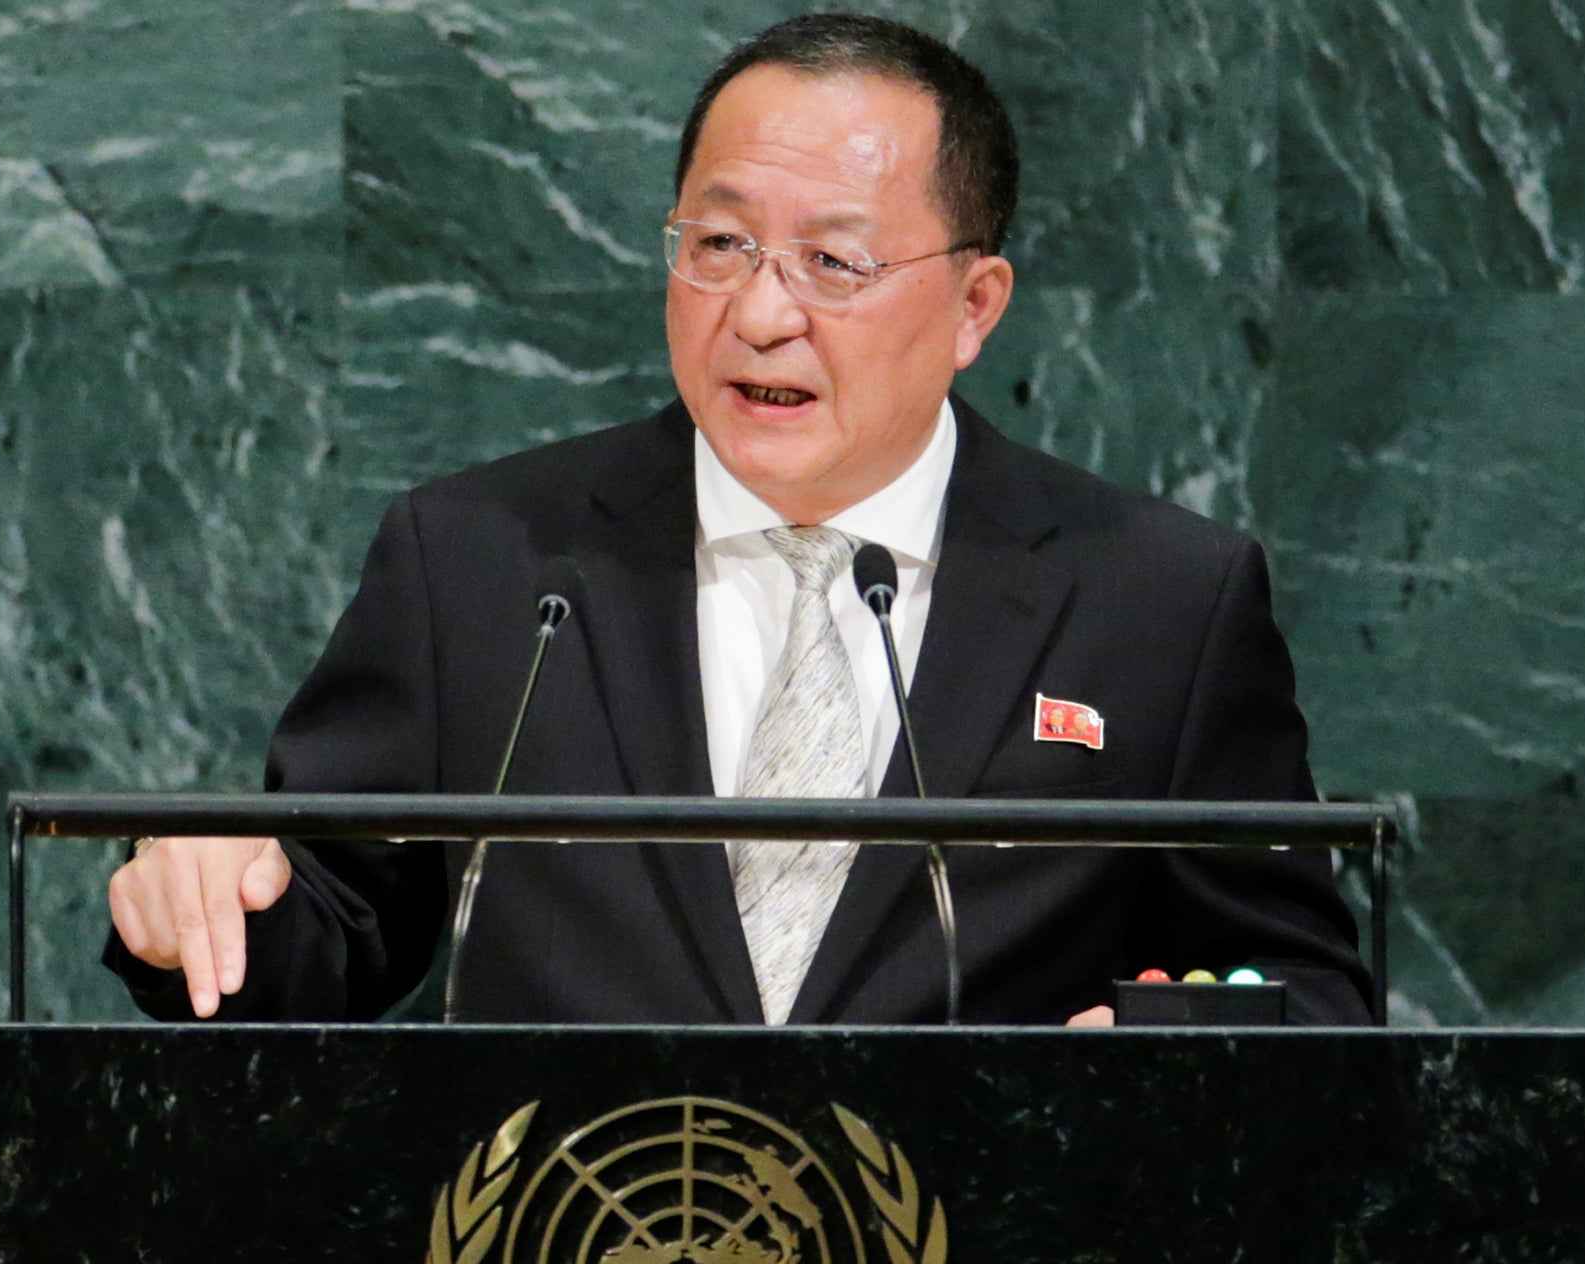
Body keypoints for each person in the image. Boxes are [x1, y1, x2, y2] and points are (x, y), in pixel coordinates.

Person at [105, 13, 1372, 1026]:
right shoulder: (481, 560)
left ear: (975, 304)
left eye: (835, 262)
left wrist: (1155, 1053)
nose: (761, 313)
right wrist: (213, 904)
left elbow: (1303, 991)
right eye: (717, 244)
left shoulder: (1158, 598)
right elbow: (327, 928)